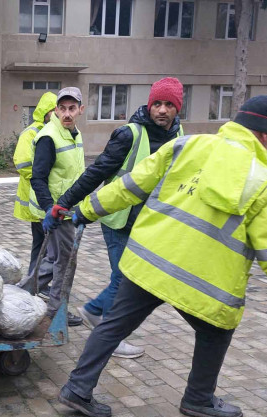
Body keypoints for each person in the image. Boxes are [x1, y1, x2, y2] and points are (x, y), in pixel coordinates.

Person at [52, 96, 267, 417]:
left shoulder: (185, 146)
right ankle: (198, 398)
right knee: (215, 333)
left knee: (113, 325)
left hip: (149, 262)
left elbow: (128, 187)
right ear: (266, 135)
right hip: (201, 281)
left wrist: (84, 211)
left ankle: (78, 388)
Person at [52, 77, 185, 359]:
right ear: (149, 105)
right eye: (157, 103)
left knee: (134, 277)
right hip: (119, 219)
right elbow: (97, 172)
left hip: (151, 221)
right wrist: (64, 203)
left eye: (169, 105)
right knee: (125, 279)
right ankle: (109, 333)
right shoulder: (129, 134)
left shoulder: (179, 136)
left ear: (178, 108)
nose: (162, 110)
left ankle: (95, 312)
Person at [28, 87, 86, 327]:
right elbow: (37, 178)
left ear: (80, 110)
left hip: (68, 211)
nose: (67, 114)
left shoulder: (74, 133)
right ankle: (55, 312)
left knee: (53, 261)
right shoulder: (49, 137)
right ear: (56, 110)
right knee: (64, 262)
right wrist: (49, 208)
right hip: (56, 212)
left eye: (72, 108)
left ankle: (21, 294)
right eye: (62, 109)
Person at [13, 92, 58, 295]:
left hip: (44, 198)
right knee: (47, 246)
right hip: (35, 198)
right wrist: (41, 175)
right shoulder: (32, 133)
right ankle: (39, 283)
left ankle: (35, 280)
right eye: (54, 110)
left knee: (41, 244)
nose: (57, 114)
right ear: (46, 112)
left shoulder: (53, 130)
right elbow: (22, 163)